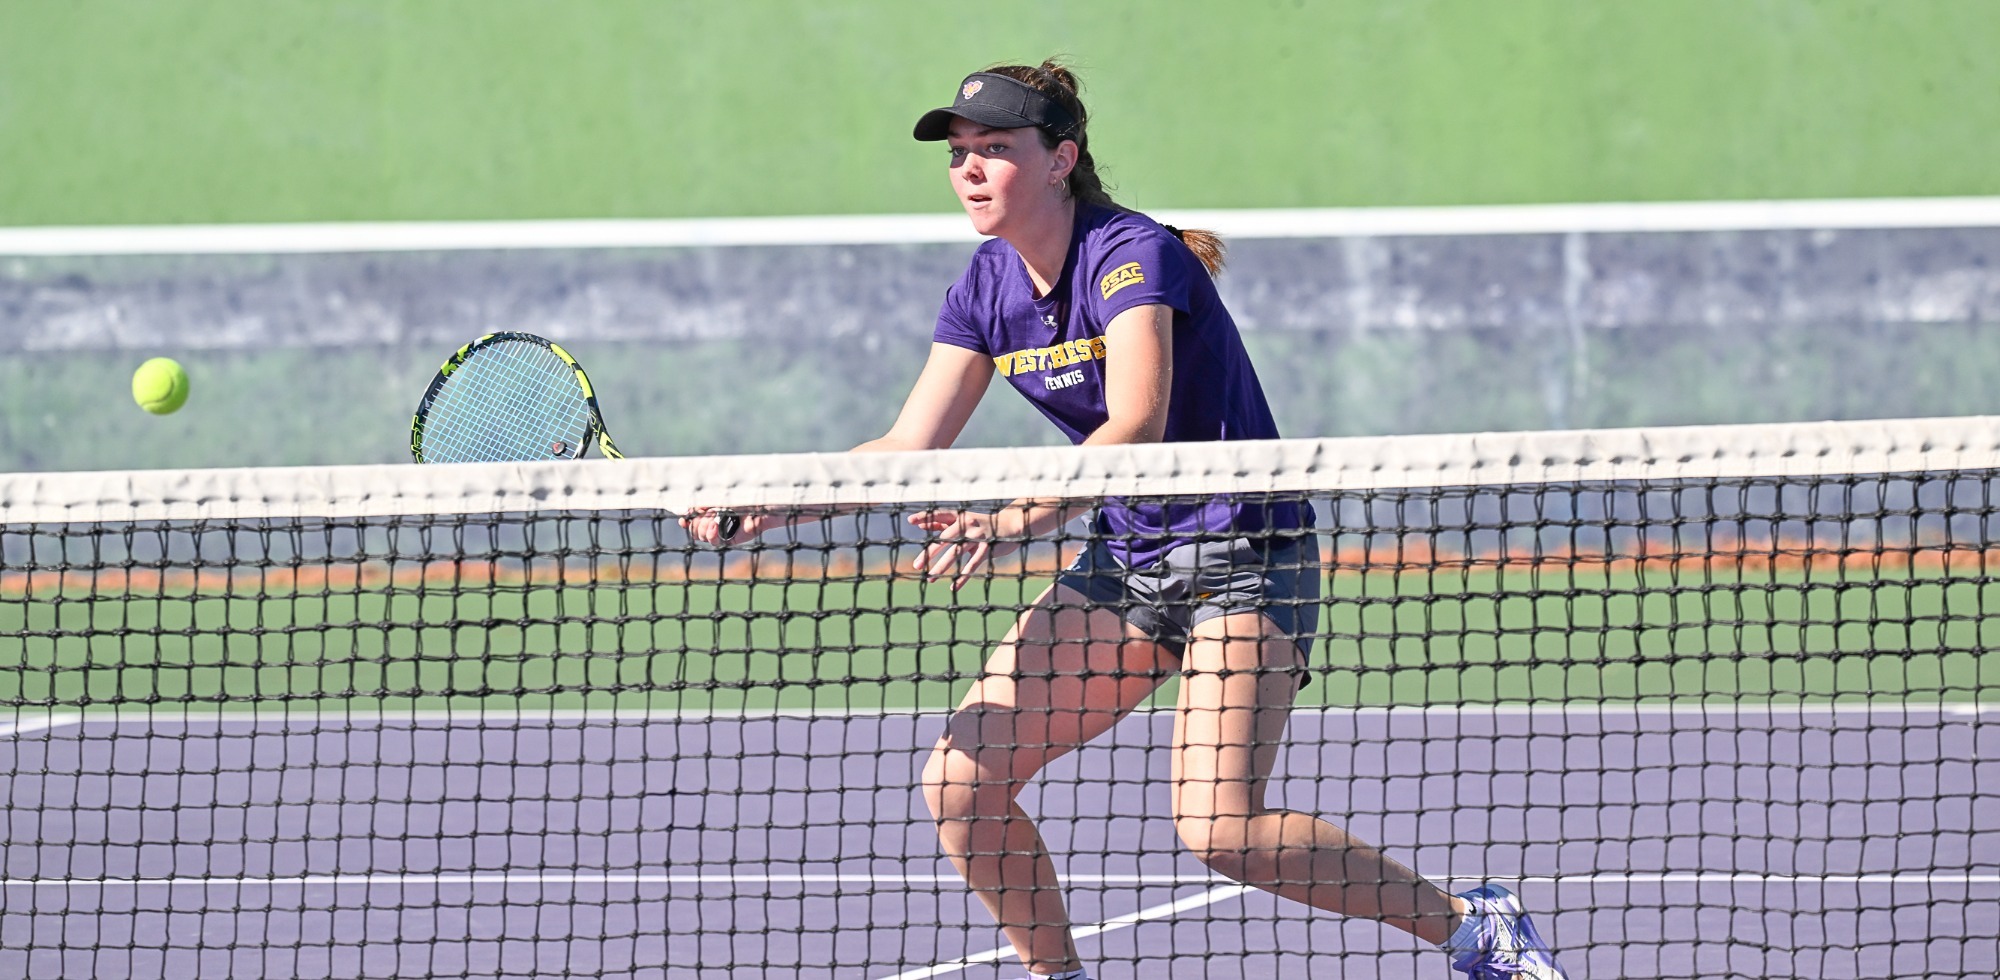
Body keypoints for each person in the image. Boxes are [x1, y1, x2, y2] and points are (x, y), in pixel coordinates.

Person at [684, 60, 1567, 980]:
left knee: (1222, 828)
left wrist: (1017, 517)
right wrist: (773, 501)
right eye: (959, 155)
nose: (971, 171)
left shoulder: (1133, 254)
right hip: (1129, 559)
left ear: (1061, 158)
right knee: (961, 783)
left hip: (1244, 553)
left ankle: (1471, 924)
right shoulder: (985, 287)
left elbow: (1136, 421)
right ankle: (1057, 976)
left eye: (995, 149)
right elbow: (910, 441)